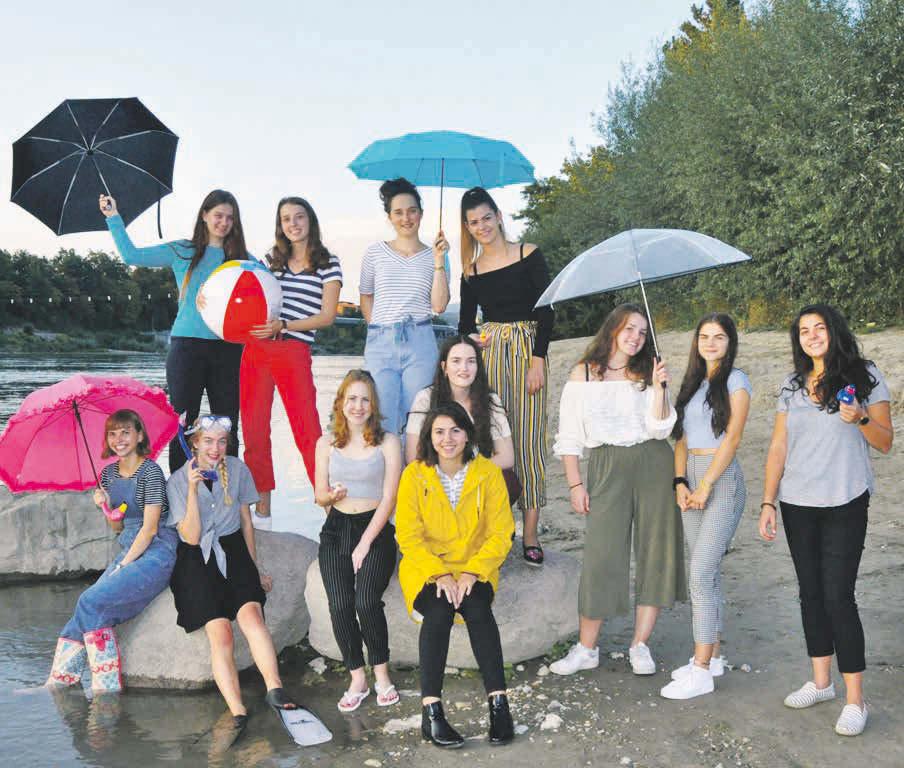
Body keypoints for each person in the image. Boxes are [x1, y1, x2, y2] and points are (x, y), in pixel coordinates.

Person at [759, 304, 893, 736]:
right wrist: (768, 501)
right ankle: (821, 683)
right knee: (811, 594)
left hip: (845, 499)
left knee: (839, 596)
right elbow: (778, 446)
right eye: (804, 330)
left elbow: (886, 442)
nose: (812, 335)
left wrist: (862, 417)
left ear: (834, 331)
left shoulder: (865, 376)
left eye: (819, 328)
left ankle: (856, 700)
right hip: (797, 502)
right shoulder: (792, 384)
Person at [550, 304, 685, 677]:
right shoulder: (584, 373)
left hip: (654, 461)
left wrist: (659, 389)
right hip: (607, 465)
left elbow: (661, 429)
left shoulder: (648, 372)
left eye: (642, 332)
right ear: (613, 329)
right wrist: (575, 483)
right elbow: (569, 435)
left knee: (656, 551)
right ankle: (586, 648)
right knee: (601, 554)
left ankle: (640, 645)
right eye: (629, 328)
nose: (635, 337)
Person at [167, 415, 300, 735]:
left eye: (221, 441)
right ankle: (237, 710)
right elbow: (191, 537)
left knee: (252, 616)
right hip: (196, 558)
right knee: (222, 633)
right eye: (208, 441)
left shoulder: (238, 470)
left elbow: (247, 523)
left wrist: (255, 569)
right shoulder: (177, 481)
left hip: (233, 549)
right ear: (194, 443)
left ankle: (275, 690)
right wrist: (192, 490)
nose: (215, 448)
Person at [99, 190, 250, 472]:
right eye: (218, 215)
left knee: (228, 423)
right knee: (182, 423)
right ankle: (181, 490)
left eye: (230, 218)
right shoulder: (182, 250)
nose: (224, 222)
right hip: (187, 348)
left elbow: (262, 292)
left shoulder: (242, 259)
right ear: (204, 216)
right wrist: (113, 217)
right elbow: (131, 256)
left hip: (228, 349)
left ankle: (228, 491)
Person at [396, 403, 515, 749]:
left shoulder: (487, 473)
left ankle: (499, 705)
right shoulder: (414, 475)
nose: (447, 439)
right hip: (427, 569)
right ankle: (431, 712)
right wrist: (439, 574)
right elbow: (408, 536)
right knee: (439, 610)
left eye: (455, 431)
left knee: (478, 608)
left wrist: (474, 572)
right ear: (429, 437)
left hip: (474, 567)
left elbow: (501, 532)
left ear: (467, 435)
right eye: (439, 432)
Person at [46, 410, 177, 693]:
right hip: (129, 544)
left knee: (90, 600)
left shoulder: (151, 472)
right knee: (86, 605)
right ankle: (60, 682)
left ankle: (105, 688)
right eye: (113, 434)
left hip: (157, 549)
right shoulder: (107, 475)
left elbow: (150, 529)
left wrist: (123, 565)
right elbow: (117, 527)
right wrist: (104, 504)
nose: (119, 439)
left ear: (139, 435)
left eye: (126, 432)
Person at [457, 186, 554, 566]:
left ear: (498, 216)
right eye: (473, 222)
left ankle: (530, 533)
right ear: (467, 227)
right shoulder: (471, 271)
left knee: (528, 441)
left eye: (486, 217)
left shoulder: (528, 253)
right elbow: (465, 325)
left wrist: (537, 360)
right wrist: (475, 339)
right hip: (491, 357)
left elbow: (547, 310)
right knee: (491, 440)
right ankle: (497, 525)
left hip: (527, 350)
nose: (481, 226)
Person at [660, 314, 751, 700]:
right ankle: (711, 658)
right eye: (704, 336)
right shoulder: (691, 383)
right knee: (706, 575)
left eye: (719, 337)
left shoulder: (737, 381)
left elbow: (732, 439)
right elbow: (680, 439)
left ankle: (700, 671)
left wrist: (706, 485)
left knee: (699, 574)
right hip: (691, 477)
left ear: (730, 343)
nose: (710, 343)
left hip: (722, 480)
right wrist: (681, 482)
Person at [242, 196, 341, 529]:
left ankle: (332, 515)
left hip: (294, 350)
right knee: (254, 432)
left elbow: (327, 316)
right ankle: (263, 516)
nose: (293, 224)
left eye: (299, 217)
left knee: (308, 432)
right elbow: (245, 294)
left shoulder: (328, 263)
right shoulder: (270, 261)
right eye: (286, 219)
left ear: (310, 220)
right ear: (280, 225)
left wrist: (284, 325)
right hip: (257, 350)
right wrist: (209, 298)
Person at [314, 369, 401, 712]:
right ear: (340, 402)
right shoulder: (326, 443)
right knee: (339, 604)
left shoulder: (388, 442)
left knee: (366, 601)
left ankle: (382, 675)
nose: (358, 406)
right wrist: (331, 497)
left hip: (375, 529)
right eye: (352, 398)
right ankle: (357, 678)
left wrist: (364, 544)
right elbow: (319, 496)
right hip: (336, 529)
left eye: (365, 399)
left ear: (373, 405)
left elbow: (390, 498)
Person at [359, 177, 450, 435]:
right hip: (381, 342)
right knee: (381, 418)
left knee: (418, 418)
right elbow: (366, 296)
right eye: (398, 212)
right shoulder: (375, 253)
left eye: (412, 211)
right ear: (389, 217)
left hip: (420, 341)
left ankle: (414, 463)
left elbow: (439, 306)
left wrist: (439, 261)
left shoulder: (437, 255)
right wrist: (378, 328)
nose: (406, 218)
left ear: (421, 213)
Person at [405, 335, 514, 473]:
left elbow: (507, 457)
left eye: (471, 361)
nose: (464, 368)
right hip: (435, 478)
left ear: (478, 366)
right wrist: (450, 475)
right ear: (444, 367)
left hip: (477, 478)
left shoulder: (490, 400)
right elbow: (412, 457)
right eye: (456, 361)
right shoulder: (425, 398)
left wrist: (464, 472)